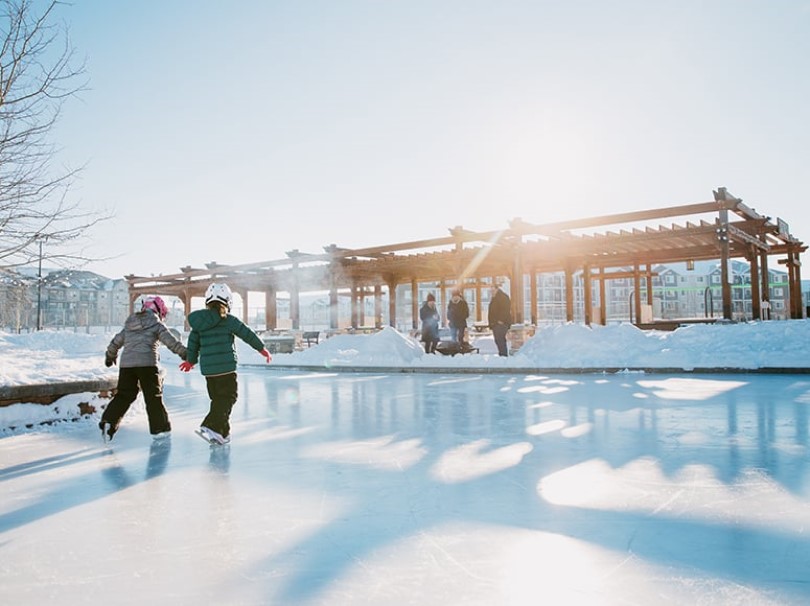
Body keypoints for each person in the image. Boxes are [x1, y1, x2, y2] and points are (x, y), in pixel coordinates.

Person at [180, 283, 271, 445]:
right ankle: (210, 425)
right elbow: (247, 334)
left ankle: (222, 434)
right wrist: (262, 349)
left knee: (218, 400)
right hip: (226, 369)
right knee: (229, 397)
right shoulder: (228, 320)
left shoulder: (199, 325)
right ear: (228, 302)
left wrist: (190, 361)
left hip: (209, 371)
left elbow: (193, 344)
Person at [99, 295, 187, 443]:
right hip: (147, 365)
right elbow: (170, 341)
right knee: (153, 397)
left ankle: (109, 421)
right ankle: (160, 429)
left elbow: (116, 341)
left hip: (127, 366)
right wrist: (184, 353)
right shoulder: (156, 323)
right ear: (158, 310)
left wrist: (110, 356)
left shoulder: (129, 324)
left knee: (124, 395)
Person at [488, 281, 512, 357]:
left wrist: (500, 321)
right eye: (490, 290)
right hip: (495, 324)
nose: (491, 291)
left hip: (501, 323)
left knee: (500, 340)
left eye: (492, 289)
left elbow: (505, 309)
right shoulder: (494, 298)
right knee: (498, 340)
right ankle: (502, 355)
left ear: (497, 289)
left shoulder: (503, 297)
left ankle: (503, 356)